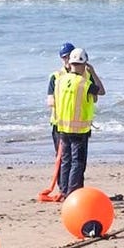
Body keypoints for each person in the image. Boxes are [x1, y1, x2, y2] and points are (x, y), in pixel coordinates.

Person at [53, 47, 106, 196]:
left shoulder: (60, 81)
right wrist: (93, 73)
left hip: (62, 127)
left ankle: (64, 191)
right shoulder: (84, 83)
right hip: (79, 130)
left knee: (66, 161)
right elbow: (101, 91)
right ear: (84, 65)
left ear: (70, 63)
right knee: (77, 162)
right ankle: (73, 193)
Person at [46, 41, 75, 153]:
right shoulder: (56, 76)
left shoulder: (85, 75)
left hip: (77, 125)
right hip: (59, 124)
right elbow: (50, 101)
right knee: (61, 158)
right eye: (65, 57)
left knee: (77, 159)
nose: (67, 59)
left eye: (70, 56)